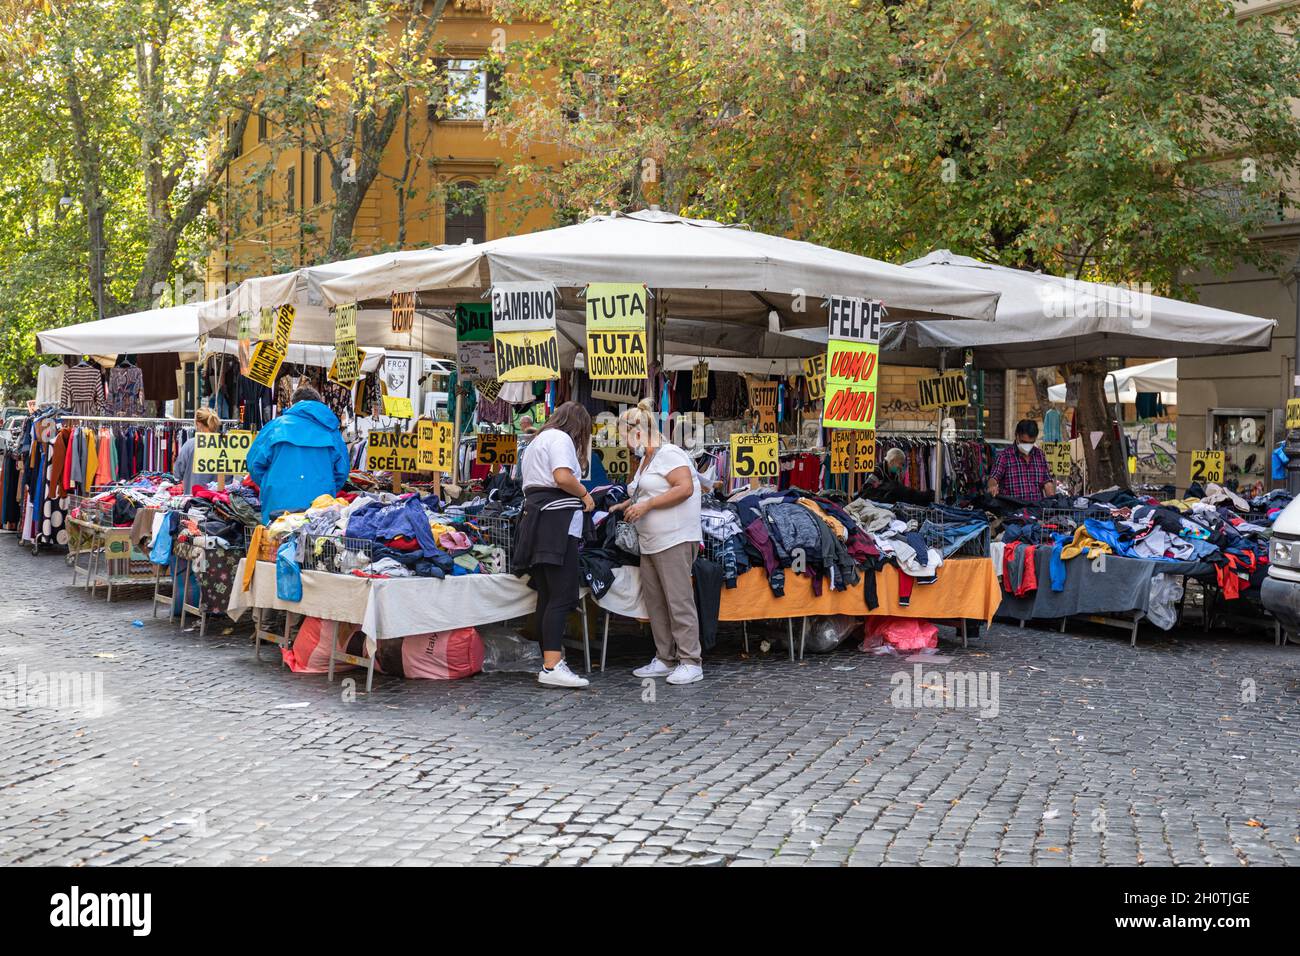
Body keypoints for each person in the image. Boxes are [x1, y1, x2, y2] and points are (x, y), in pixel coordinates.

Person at [610, 399, 704, 685]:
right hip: (650, 541)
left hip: (674, 538)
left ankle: (690, 660)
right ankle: (665, 657)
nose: (625, 444)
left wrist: (648, 506)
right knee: (656, 602)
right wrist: (625, 504)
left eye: (625, 437)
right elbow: (648, 492)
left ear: (638, 432)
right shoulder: (646, 461)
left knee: (678, 600)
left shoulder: (670, 454)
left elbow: (684, 488)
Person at [514, 401, 594, 689]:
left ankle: (550, 660)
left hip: (536, 520)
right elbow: (562, 477)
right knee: (562, 594)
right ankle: (551, 665)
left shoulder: (537, 442)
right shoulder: (560, 439)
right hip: (556, 524)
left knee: (548, 595)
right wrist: (585, 493)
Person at [246, 386, 350, 522]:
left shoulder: (274, 426)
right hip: (319, 507)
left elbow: (254, 465)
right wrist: (325, 486)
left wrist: (270, 483)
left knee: (275, 540)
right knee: (317, 541)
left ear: (292, 404)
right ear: (319, 404)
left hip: (278, 505)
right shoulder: (331, 431)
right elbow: (342, 472)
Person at [988, 419, 1056, 501]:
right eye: (1024, 442)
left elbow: (1047, 482)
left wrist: (1053, 500)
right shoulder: (1004, 456)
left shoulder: (1040, 455)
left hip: (1036, 509)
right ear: (1017, 435)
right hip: (1012, 510)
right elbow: (994, 478)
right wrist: (992, 487)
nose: (1027, 446)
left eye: (1031, 442)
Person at [172, 406, 222, 493]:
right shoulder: (225, 444)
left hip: (194, 501)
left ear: (198, 423)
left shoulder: (190, 445)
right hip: (219, 502)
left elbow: (178, 473)